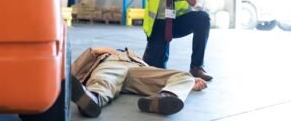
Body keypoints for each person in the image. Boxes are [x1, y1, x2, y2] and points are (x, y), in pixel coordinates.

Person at [71, 47, 207, 118]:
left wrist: (187, 83)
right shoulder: (103, 56)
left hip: (137, 70)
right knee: (103, 79)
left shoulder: (136, 58)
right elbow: (73, 72)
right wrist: (94, 51)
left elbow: (157, 74)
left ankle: (165, 96)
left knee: (185, 76)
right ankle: (92, 100)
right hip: (111, 66)